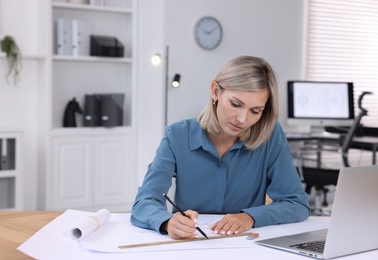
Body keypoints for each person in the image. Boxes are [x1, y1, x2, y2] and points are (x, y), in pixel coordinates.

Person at [131, 56, 310, 239]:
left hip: (244, 246)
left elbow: (297, 204)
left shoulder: (270, 136)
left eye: (255, 111)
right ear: (215, 91)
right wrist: (167, 221)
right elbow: (145, 201)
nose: (242, 119)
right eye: (235, 104)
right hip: (193, 245)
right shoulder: (177, 136)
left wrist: (250, 217)